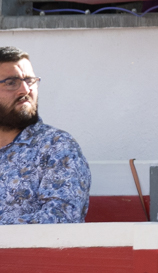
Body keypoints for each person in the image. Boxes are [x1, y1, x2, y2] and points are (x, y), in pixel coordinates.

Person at [0, 47, 91, 225]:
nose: (25, 90)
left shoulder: (57, 146)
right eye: (11, 82)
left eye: (29, 80)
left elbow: (60, 219)